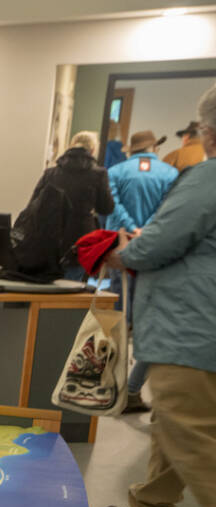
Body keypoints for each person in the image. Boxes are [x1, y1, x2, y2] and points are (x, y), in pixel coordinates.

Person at [101, 83, 216, 507]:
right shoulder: (177, 174)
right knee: (176, 421)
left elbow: (161, 242)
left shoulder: (206, 179)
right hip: (201, 326)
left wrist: (124, 252)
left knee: (192, 432)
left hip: (191, 323)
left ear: (208, 130)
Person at [106, 130, 180, 413]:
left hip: (121, 245)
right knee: (147, 311)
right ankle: (133, 385)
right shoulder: (170, 174)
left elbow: (112, 207)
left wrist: (130, 227)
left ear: (132, 151)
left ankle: (110, 376)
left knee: (117, 310)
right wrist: (146, 230)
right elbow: (167, 210)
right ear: (153, 149)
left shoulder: (116, 171)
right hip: (152, 249)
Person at [22, 130, 115, 281]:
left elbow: (33, 205)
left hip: (49, 238)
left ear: (70, 147)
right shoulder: (99, 174)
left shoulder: (50, 173)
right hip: (81, 239)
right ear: (92, 150)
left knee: (45, 286)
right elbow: (106, 208)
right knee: (72, 290)